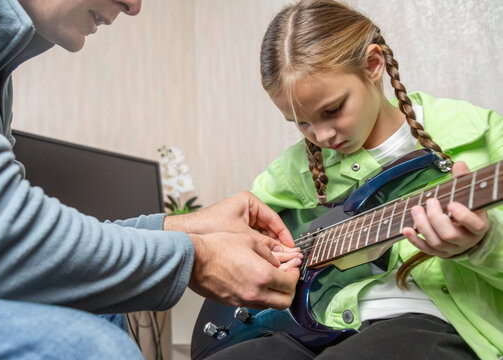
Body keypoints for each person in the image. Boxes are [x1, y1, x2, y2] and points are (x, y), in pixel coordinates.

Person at [0, 0, 303, 358]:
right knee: (85, 348)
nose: (134, 5)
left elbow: (1, 240)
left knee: (102, 313)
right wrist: (196, 258)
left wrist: (184, 227)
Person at [206, 0, 503, 359]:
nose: (321, 135)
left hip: (430, 320)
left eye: (332, 110)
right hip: (313, 325)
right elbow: (237, 232)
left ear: (373, 65)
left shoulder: (480, 135)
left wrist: (483, 245)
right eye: (301, 123)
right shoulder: (296, 168)